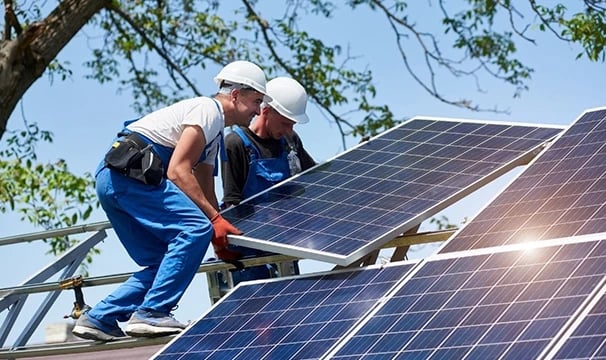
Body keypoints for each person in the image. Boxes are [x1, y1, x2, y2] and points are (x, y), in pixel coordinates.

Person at [72, 60, 269, 342]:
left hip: (114, 179)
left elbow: (204, 187)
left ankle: (99, 318)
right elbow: (178, 171)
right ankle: (152, 312)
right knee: (193, 230)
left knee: (166, 262)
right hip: (132, 177)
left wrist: (218, 235)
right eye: (256, 101)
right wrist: (212, 223)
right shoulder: (207, 110)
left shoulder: (214, 135)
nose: (258, 111)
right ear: (235, 95)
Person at [220, 76, 316, 285]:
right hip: (251, 256)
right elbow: (231, 205)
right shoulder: (235, 143)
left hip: (285, 245)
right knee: (259, 315)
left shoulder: (290, 142)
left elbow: (316, 180)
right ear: (266, 111)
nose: (289, 131)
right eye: (285, 123)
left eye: (293, 125)